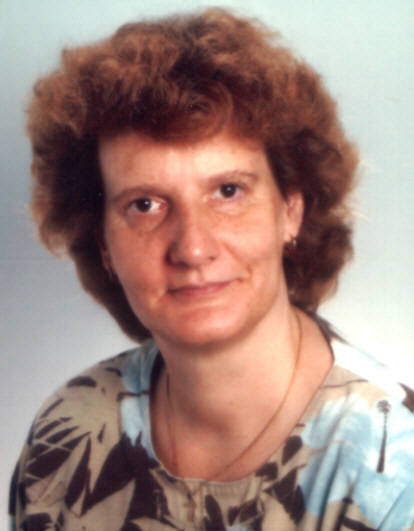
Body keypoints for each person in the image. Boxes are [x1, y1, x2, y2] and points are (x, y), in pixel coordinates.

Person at [9, 8, 414, 531]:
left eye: (227, 191)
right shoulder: (67, 435)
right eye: (145, 205)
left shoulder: (393, 468)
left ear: (290, 210)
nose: (193, 248)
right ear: (103, 243)